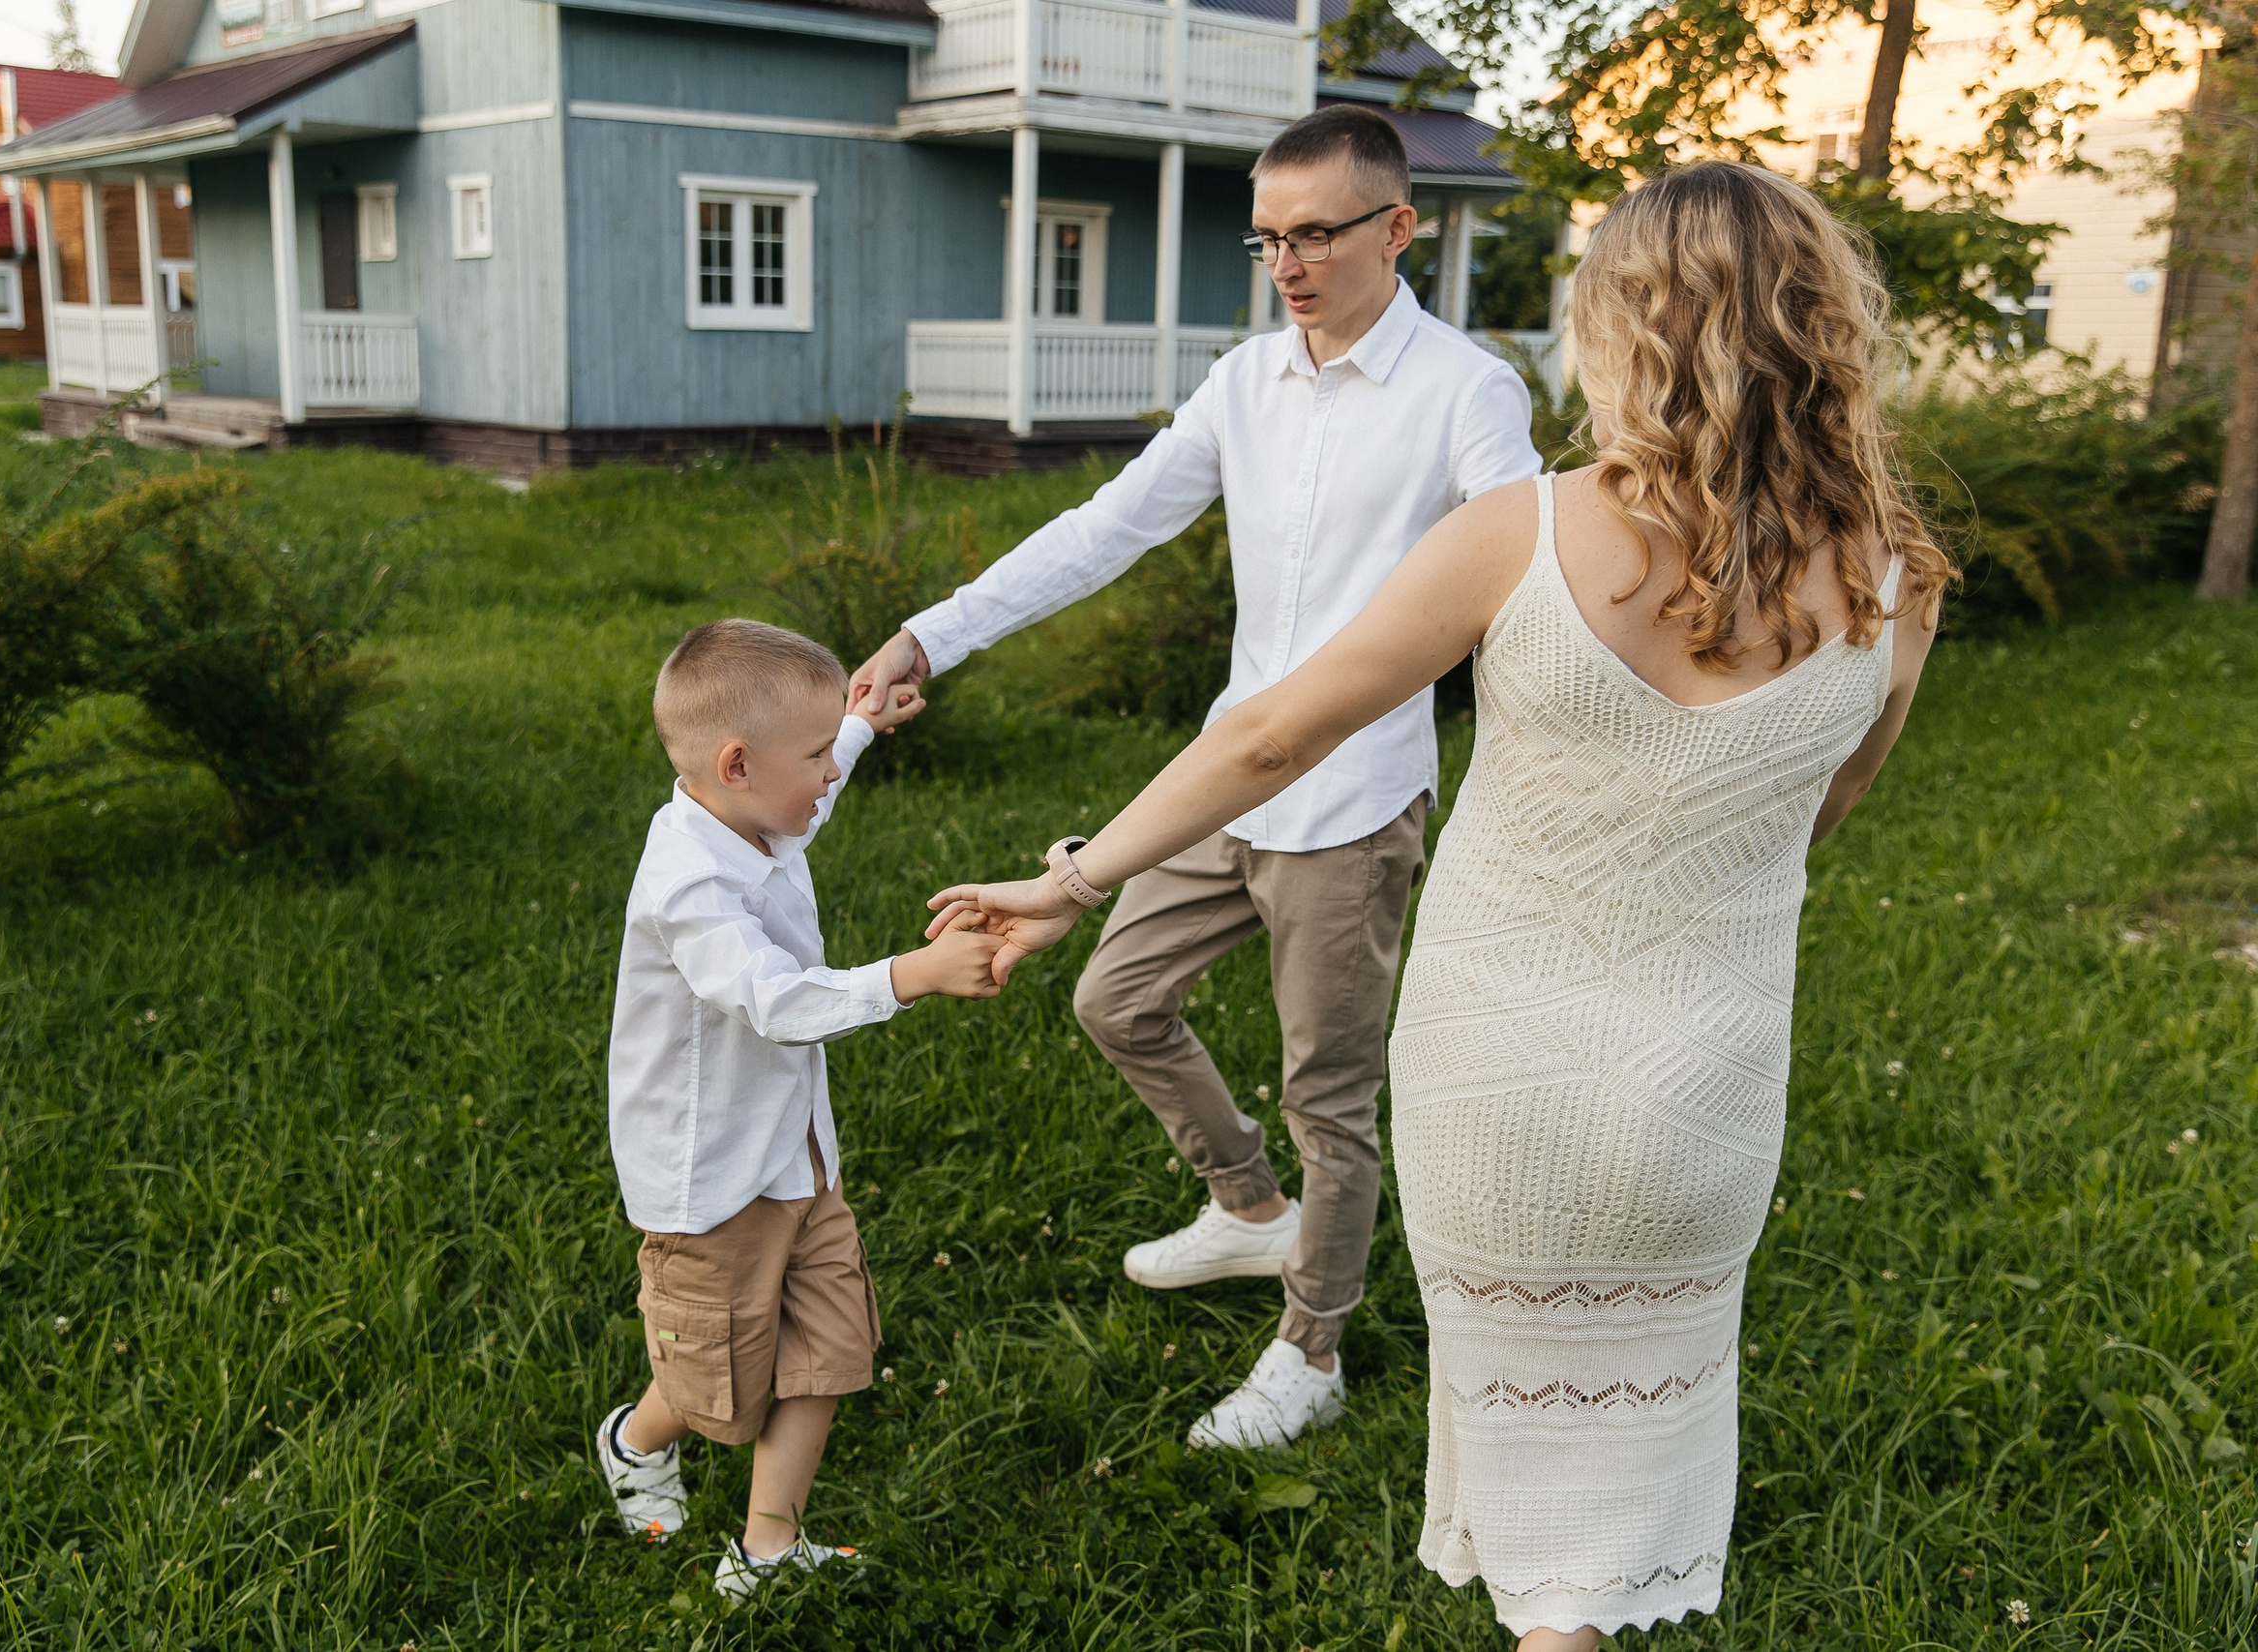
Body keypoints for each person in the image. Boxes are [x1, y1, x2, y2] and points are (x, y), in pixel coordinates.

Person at [925, 162, 1954, 1649]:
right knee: (1608, 1517)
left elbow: (1273, 731)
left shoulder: (1521, 533)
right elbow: (1822, 811)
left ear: (1622, 325)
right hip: (1711, 1085)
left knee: (1540, 1536)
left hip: (1497, 1081)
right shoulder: (1899, 583)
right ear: (1825, 325)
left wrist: (1074, 880)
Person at [848, 104, 1542, 1450]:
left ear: (1397, 229)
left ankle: (1314, 1347)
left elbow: (1513, 568)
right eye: (1268, 238)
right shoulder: (1243, 383)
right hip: (1224, 783)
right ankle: (1245, 1210)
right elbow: (1104, 527)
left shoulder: (1468, 390)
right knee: (1116, 997)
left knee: (1328, 1097)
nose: (1289, 262)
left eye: (1319, 233)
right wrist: (937, 629)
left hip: (1350, 809)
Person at [595, 619, 1001, 1601]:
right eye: (814, 757)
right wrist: (913, 975)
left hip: (798, 1157)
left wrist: (854, 727)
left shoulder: (757, 811)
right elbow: (775, 1004)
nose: (826, 778)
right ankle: (636, 1436)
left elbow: (804, 795)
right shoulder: (689, 882)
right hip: (711, 1181)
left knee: (825, 1348)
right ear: (736, 765)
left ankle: (766, 1548)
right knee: (713, 1385)